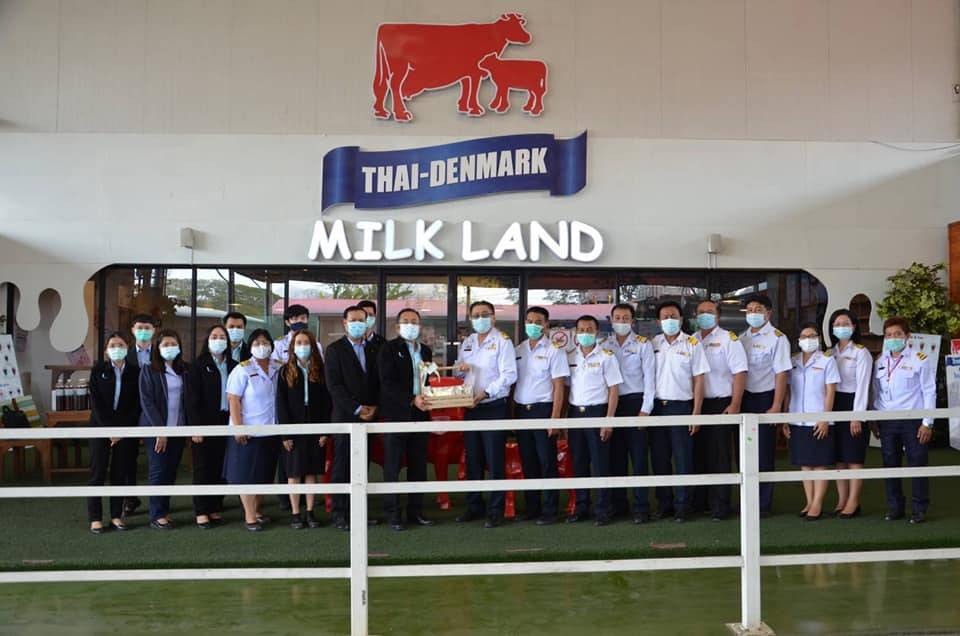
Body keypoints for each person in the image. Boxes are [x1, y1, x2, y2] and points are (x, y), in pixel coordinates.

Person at [454, 301, 517, 529]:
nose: (480, 319)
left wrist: (486, 393)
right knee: (473, 459)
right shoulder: (468, 342)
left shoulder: (502, 341)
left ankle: (496, 510)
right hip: (471, 407)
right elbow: (459, 371)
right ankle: (474, 506)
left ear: (493, 317)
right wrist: (458, 372)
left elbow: (509, 374)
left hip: (493, 406)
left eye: (484, 314)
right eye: (476, 315)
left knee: (494, 459)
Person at [873, 316, 936, 524]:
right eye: (889, 335)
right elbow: (876, 392)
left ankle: (919, 509)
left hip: (913, 421)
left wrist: (927, 423)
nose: (893, 338)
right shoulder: (880, 362)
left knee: (917, 462)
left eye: (897, 334)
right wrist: (874, 418)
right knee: (890, 463)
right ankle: (895, 507)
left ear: (907, 336)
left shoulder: (919, 359)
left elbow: (929, 391)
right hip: (887, 420)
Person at [650, 301, 709, 523]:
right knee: (659, 459)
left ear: (682, 320)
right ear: (658, 322)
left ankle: (683, 506)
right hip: (657, 408)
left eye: (673, 316)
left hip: (682, 407)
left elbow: (699, 380)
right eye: (665, 317)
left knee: (683, 459)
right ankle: (664, 504)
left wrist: (696, 412)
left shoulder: (692, 343)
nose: (669, 320)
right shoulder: (652, 344)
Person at [377, 308, 436, 531]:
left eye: (414, 322)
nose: (410, 325)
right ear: (397, 326)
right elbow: (387, 383)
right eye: (406, 321)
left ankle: (416, 511)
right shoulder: (388, 349)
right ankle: (393, 513)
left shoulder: (426, 351)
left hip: (421, 414)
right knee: (392, 466)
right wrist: (411, 399)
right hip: (396, 414)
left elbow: (430, 380)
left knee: (418, 465)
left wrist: (432, 397)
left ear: (420, 326)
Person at [325, 306, 381, 531]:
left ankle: (358, 512)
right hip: (346, 417)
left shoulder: (374, 348)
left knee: (361, 466)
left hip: (370, 417)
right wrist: (357, 408)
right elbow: (334, 386)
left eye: (361, 320)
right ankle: (339, 513)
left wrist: (375, 407)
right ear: (345, 323)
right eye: (353, 320)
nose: (358, 324)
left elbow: (378, 381)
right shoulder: (334, 350)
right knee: (342, 467)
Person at [513, 306, 569, 525]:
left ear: (546, 325)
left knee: (547, 462)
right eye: (529, 321)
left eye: (538, 322)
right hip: (522, 411)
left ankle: (550, 509)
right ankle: (532, 507)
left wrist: (555, 418)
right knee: (528, 462)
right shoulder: (518, 349)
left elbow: (559, 386)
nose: (533, 325)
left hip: (544, 411)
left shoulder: (555, 350)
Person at [692, 299, 747, 521]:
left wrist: (735, 404)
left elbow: (740, 373)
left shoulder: (728, 339)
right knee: (699, 455)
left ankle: (720, 506)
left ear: (718, 316)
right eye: (700, 312)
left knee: (720, 457)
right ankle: (701, 503)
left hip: (721, 404)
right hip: (697, 405)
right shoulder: (692, 339)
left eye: (709, 311)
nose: (704, 315)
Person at [224, 329, 282, 532]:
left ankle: (257, 510)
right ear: (250, 347)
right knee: (246, 475)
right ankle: (249, 516)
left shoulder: (278, 367)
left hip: (271, 430)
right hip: (248, 431)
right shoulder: (242, 369)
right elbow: (233, 399)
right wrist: (238, 427)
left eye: (265, 342)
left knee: (264, 473)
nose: (261, 346)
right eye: (257, 343)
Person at [738, 294, 791, 516]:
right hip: (744, 399)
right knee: (744, 453)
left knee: (764, 454)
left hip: (766, 399)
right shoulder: (741, 338)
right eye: (749, 310)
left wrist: (777, 404)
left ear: (768, 313)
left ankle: (763, 505)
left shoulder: (778, 339)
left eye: (758, 310)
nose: (753, 314)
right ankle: (747, 501)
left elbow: (782, 374)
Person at [565, 315, 621, 526]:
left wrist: (609, 420)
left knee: (600, 464)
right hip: (574, 414)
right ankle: (581, 506)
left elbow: (614, 389)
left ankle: (603, 509)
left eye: (589, 329)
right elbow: (566, 388)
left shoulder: (607, 356)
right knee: (579, 462)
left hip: (597, 413)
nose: (585, 333)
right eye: (581, 330)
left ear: (597, 332)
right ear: (575, 332)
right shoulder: (570, 356)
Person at [604, 302, 655, 524]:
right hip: (612, 406)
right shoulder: (604, 345)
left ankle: (641, 507)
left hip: (636, 404)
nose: (621, 321)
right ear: (611, 320)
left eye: (625, 318)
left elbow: (650, 379)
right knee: (616, 458)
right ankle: (618, 505)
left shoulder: (643, 344)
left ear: (633, 321)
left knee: (639, 458)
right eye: (617, 318)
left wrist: (645, 410)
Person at [277, 329, 332, 530]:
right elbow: (281, 404)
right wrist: (285, 434)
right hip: (294, 427)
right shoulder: (284, 371)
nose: (302, 346)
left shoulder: (320, 370)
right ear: (292, 347)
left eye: (306, 342)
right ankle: (295, 513)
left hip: (315, 426)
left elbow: (327, 402)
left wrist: (325, 431)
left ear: (313, 346)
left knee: (311, 471)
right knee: (294, 473)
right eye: (298, 343)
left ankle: (309, 511)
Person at [783, 322, 839, 521]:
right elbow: (788, 392)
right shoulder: (792, 361)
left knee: (820, 464)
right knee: (805, 464)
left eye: (812, 336)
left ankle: (817, 503)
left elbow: (831, 391)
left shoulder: (827, 360)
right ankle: (809, 501)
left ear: (819, 339)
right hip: (797, 419)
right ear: (798, 340)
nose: (808, 340)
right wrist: (785, 418)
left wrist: (825, 418)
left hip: (818, 420)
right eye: (804, 336)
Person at [86, 332, 141, 534]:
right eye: (112, 345)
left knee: (120, 473)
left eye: (120, 345)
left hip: (125, 430)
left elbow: (137, 404)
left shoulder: (135, 371)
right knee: (98, 471)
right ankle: (95, 518)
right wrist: (109, 429)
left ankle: (116, 516)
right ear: (106, 349)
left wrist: (121, 429)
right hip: (100, 428)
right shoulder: (98, 370)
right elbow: (96, 402)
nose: (116, 348)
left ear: (127, 347)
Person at [185, 324, 237, 529]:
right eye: (214, 336)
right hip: (204, 423)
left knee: (220, 467)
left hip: (227, 421)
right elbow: (191, 400)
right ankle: (201, 511)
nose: (218, 340)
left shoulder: (234, 365)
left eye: (222, 337)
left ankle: (215, 506)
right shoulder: (198, 365)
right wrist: (195, 427)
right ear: (207, 340)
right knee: (202, 467)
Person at [138, 329, 189, 530]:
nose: (170, 348)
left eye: (173, 344)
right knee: (158, 470)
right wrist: (160, 430)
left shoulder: (184, 369)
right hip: (157, 430)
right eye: (165, 344)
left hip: (178, 429)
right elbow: (147, 401)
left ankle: (164, 510)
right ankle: (156, 514)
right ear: (157, 348)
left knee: (171, 470)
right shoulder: (149, 369)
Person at [826, 308, 872, 518]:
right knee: (839, 457)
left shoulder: (861, 352)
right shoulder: (829, 352)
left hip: (853, 403)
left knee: (854, 456)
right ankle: (842, 500)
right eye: (836, 324)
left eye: (845, 324)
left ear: (854, 326)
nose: (841, 328)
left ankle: (854, 501)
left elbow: (863, 386)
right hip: (834, 404)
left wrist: (857, 416)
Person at [122, 313, 156, 517]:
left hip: (155, 411)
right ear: (133, 330)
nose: (143, 331)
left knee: (157, 456)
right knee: (128, 456)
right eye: (139, 327)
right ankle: (130, 499)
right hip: (131, 411)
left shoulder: (161, 353)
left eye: (147, 327)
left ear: (154, 330)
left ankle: (158, 501)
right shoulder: (123, 354)